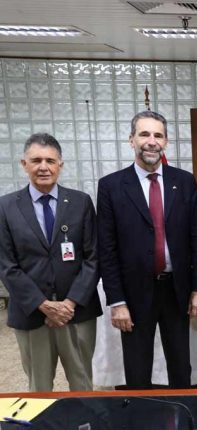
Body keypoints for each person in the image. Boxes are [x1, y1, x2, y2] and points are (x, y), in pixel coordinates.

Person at [98, 111, 197, 389]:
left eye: (157, 135)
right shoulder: (111, 187)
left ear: (166, 142)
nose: (151, 141)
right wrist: (117, 302)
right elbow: (107, 248)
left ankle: (183, 414)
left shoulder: (184, 182)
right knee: (137, 369)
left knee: (181, 366)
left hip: (176, 290)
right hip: (133, 294)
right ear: (131, 140)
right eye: (144, 134)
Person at [0, 133, 101, 391]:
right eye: (36, 160)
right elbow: (6, 265)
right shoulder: (6, 207)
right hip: (32, 314)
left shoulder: (81, 202)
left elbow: (93, 257)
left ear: (60, 165)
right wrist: (44, 305)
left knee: (83, 384)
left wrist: (69, 303)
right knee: (39, 388)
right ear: (24, 164)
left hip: (77, 312)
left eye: (50, 160)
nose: (43, 167)